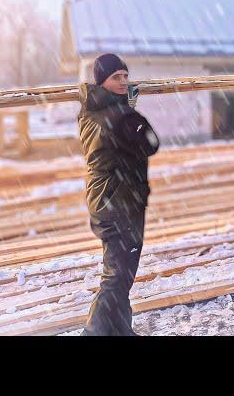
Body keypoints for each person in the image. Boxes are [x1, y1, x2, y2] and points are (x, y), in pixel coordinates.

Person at [78, 53, 160, 335]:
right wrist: (131, 111)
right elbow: (151, 142)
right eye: (116, 77)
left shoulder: (90, 110)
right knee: (116, 276)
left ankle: (121, 329)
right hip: (119, 203)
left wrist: (126, 108)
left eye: (125, 76)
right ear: (102, 81)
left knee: (120, 273)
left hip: (108, 199)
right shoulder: (119, 115)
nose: (124, 81)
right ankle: (93, 332)